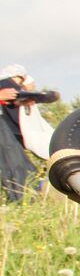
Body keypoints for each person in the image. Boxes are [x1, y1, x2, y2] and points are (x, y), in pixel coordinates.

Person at [0, 66, 58, 201]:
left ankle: (29, 196)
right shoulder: (6, 83)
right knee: (13, 160)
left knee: (15, 160)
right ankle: (26, 198)